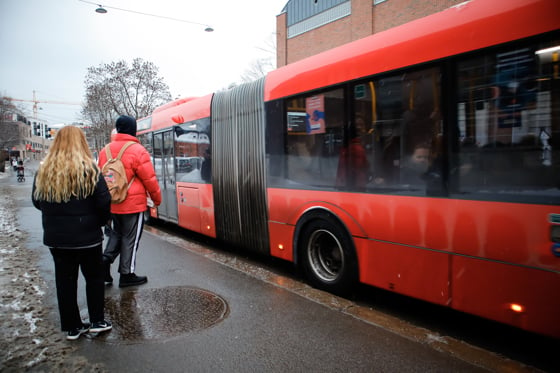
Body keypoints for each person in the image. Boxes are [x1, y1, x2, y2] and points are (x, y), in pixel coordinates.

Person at [31, 126, 112, 340]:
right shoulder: (90, 169)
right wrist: (99, 222)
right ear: (81, 143)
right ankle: (96, 321)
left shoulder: (44, 171)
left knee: (65, 281)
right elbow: (104, 202)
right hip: (88, 237)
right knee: (94, 278)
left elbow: (37, 202)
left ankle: (72, 326)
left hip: (57, 239)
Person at [98, 115, 161, 288]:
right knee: (130, 239)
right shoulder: (138, 150)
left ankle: (105, 261)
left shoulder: (105, 151)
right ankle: (127, 274)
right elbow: (150, 179)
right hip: (132, 204)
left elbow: (100, 178)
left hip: (112, 202)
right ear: (133, 129)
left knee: (116, 234)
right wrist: (156, 199)